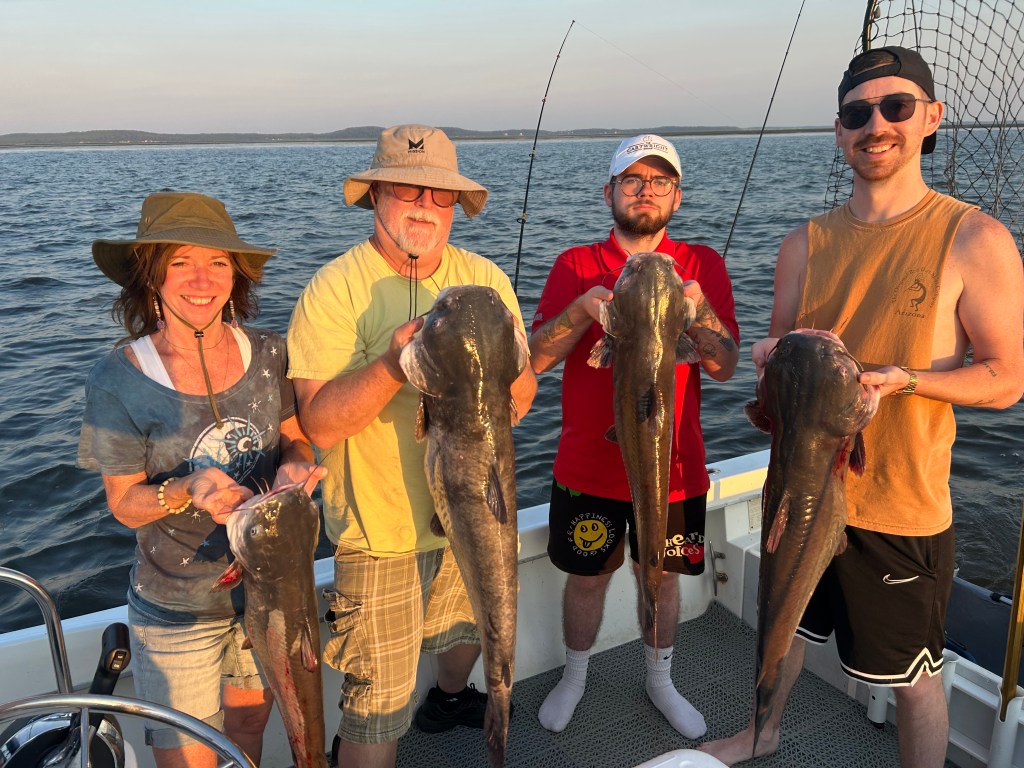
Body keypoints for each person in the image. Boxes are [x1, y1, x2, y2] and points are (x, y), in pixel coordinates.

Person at [700, 47, 1024, 767]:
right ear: (839, 130)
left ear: (931, 118)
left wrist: (905, 380)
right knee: (779, 626)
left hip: (900, 505)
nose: (876, 125)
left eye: (896, 107)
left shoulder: (975, 238)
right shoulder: (802, 244)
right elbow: (775, 376)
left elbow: (1006, 380)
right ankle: (761, 733)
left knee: (914, 679)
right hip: (796, 487)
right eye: (857, 113)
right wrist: (766, 359)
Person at [286, 124, 537, 768]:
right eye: (406, 189)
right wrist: (395, 364)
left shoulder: (484, 279)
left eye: (440, 194)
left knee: (473, 631)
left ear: (455, 205)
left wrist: (509, 368)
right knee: (377, 711)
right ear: (375, 196)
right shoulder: (334, 289)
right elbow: (318, 426)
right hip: (380, 534)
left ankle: (451, 700)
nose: (425, 205)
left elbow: (524, 392)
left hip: (481, 507)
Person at [78, 191, 325, 768]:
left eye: (218, 262)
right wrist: (185, 490)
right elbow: (124, 503)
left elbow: (297, 440)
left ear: (236, 277)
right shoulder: (117, 379)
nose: (201, 279)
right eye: (180, 261)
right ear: (151, 275)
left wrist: (295, 465)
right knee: (187, 753)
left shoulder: (270, 352)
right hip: (176, 608)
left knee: (249, 724)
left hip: (270, 595)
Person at [529, 134, 740, 737]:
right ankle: (575, 676)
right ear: (610, 192)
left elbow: (725, 366)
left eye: (659, 181)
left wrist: (698, 312)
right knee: (587, 577)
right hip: (588, 466)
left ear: (677, 195)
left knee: (664, 576)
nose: (645, 191)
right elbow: (535, 360)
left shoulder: (702, 264)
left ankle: (660, 677)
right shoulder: (575, 265)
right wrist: (580, 311)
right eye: (632, 180)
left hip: (676, 466)